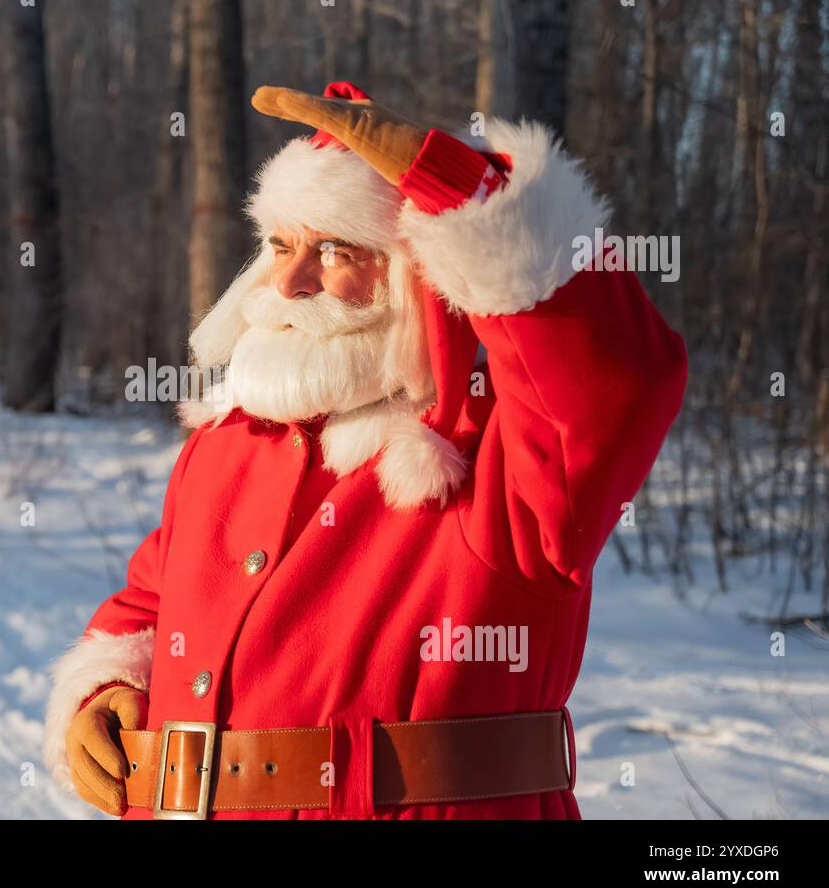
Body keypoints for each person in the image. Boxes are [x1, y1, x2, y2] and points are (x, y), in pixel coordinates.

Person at [44, 81, 687, 819]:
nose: (289, 280)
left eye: (337, 249)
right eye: (281, 245)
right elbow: (152, 605)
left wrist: (465, 193)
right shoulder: (229, 441)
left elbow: (622, 381)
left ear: (416, 271)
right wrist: (105, 691)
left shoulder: (495, 449)